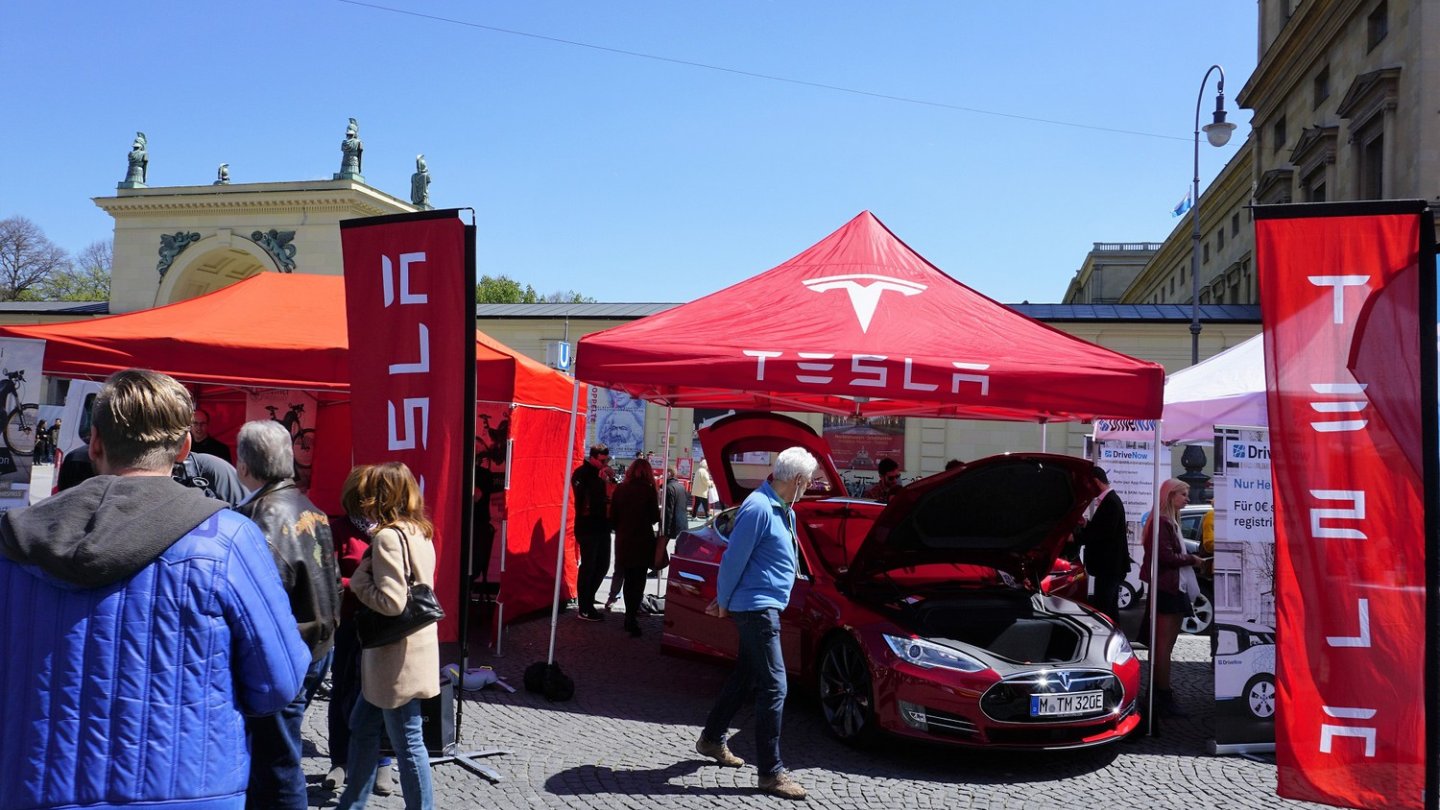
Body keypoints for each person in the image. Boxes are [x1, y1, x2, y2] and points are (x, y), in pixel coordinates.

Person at [0, 368, 309, 808]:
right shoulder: (227, 539)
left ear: (96, 444)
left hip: (34, 785)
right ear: (185, 447)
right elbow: (277, 683)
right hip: (188, 788)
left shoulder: (12, 540)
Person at [696, 447, 818, 801]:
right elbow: (733, 558)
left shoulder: (783, 508)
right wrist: (724, 600)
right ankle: (771, 773)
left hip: (763, 605)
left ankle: (711, 739)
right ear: (796, 480)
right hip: (756, 609)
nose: (809, 487)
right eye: (808, 482)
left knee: (746, 676)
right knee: (775, 688)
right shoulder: (759, 508)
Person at [235, 419, 342, 810]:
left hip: (288, 653)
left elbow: (256, 604)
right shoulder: (308, 506)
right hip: (318, 644)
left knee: (278, 761)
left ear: (243, 466)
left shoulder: (259, 519)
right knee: (278, 753)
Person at [336, 462, 440, 810]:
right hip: (408, 652)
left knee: (408, 742)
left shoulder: (387, 537)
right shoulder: (418, 530)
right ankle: (351, 803)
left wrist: (360, 584)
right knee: (363, 726)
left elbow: (392, 602)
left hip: (395, 660)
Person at [324, 492, 398, 798]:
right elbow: (328, 578)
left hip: (385, 625)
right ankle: (339, 761)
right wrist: (361, 585)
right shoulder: (339, 529)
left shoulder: (392, 529)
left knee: (383, 693)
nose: (373, 503)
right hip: (350, 623)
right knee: (342, 689)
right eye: (367, 496)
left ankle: (383, 761)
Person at [1140, 478, 1205, 719]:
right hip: (1168, 589)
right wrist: (1193, 560)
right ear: (1171, 496)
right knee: (1164, 646)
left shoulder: (1167, 522)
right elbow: (1165, 557)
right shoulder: (1164, 523)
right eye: (1184, 494)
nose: (1188, 498)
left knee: (1165, 645)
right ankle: (1162, 695)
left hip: (1170, 588)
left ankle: (1160, 694)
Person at [609, 457, 660, 638]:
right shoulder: (648, 490)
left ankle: (628, 616)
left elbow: (612, 517)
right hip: (642, 540)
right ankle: (631, 616)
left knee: (628, 577)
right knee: (638, 581)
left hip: (624, 539)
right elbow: (655, 517)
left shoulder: (620, 489)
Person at [1074, 465, 1129, 622]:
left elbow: (1102, 534)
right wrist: (1086, 524)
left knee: (1104, 609)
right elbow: (1103, 529)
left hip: (1109, 567)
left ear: (1095, 482)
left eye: (1088, 485)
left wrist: (1076, 538)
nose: (1087, 489)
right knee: (1110, 610)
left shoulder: (1110, 502)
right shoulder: (1111, 500)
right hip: (1109, 567)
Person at [572, 443, 614, 621]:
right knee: (589, 566)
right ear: (593, 457)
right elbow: (584, 498)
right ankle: (584, 606)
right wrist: (601, 480)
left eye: (606, 460)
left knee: (603, 565)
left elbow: (610, 494)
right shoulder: (582, 473)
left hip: (602, 525)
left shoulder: (599, 474)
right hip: (588, 526)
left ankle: (588, 598)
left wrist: (609, 480)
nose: (605, 463)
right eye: (602, 460)